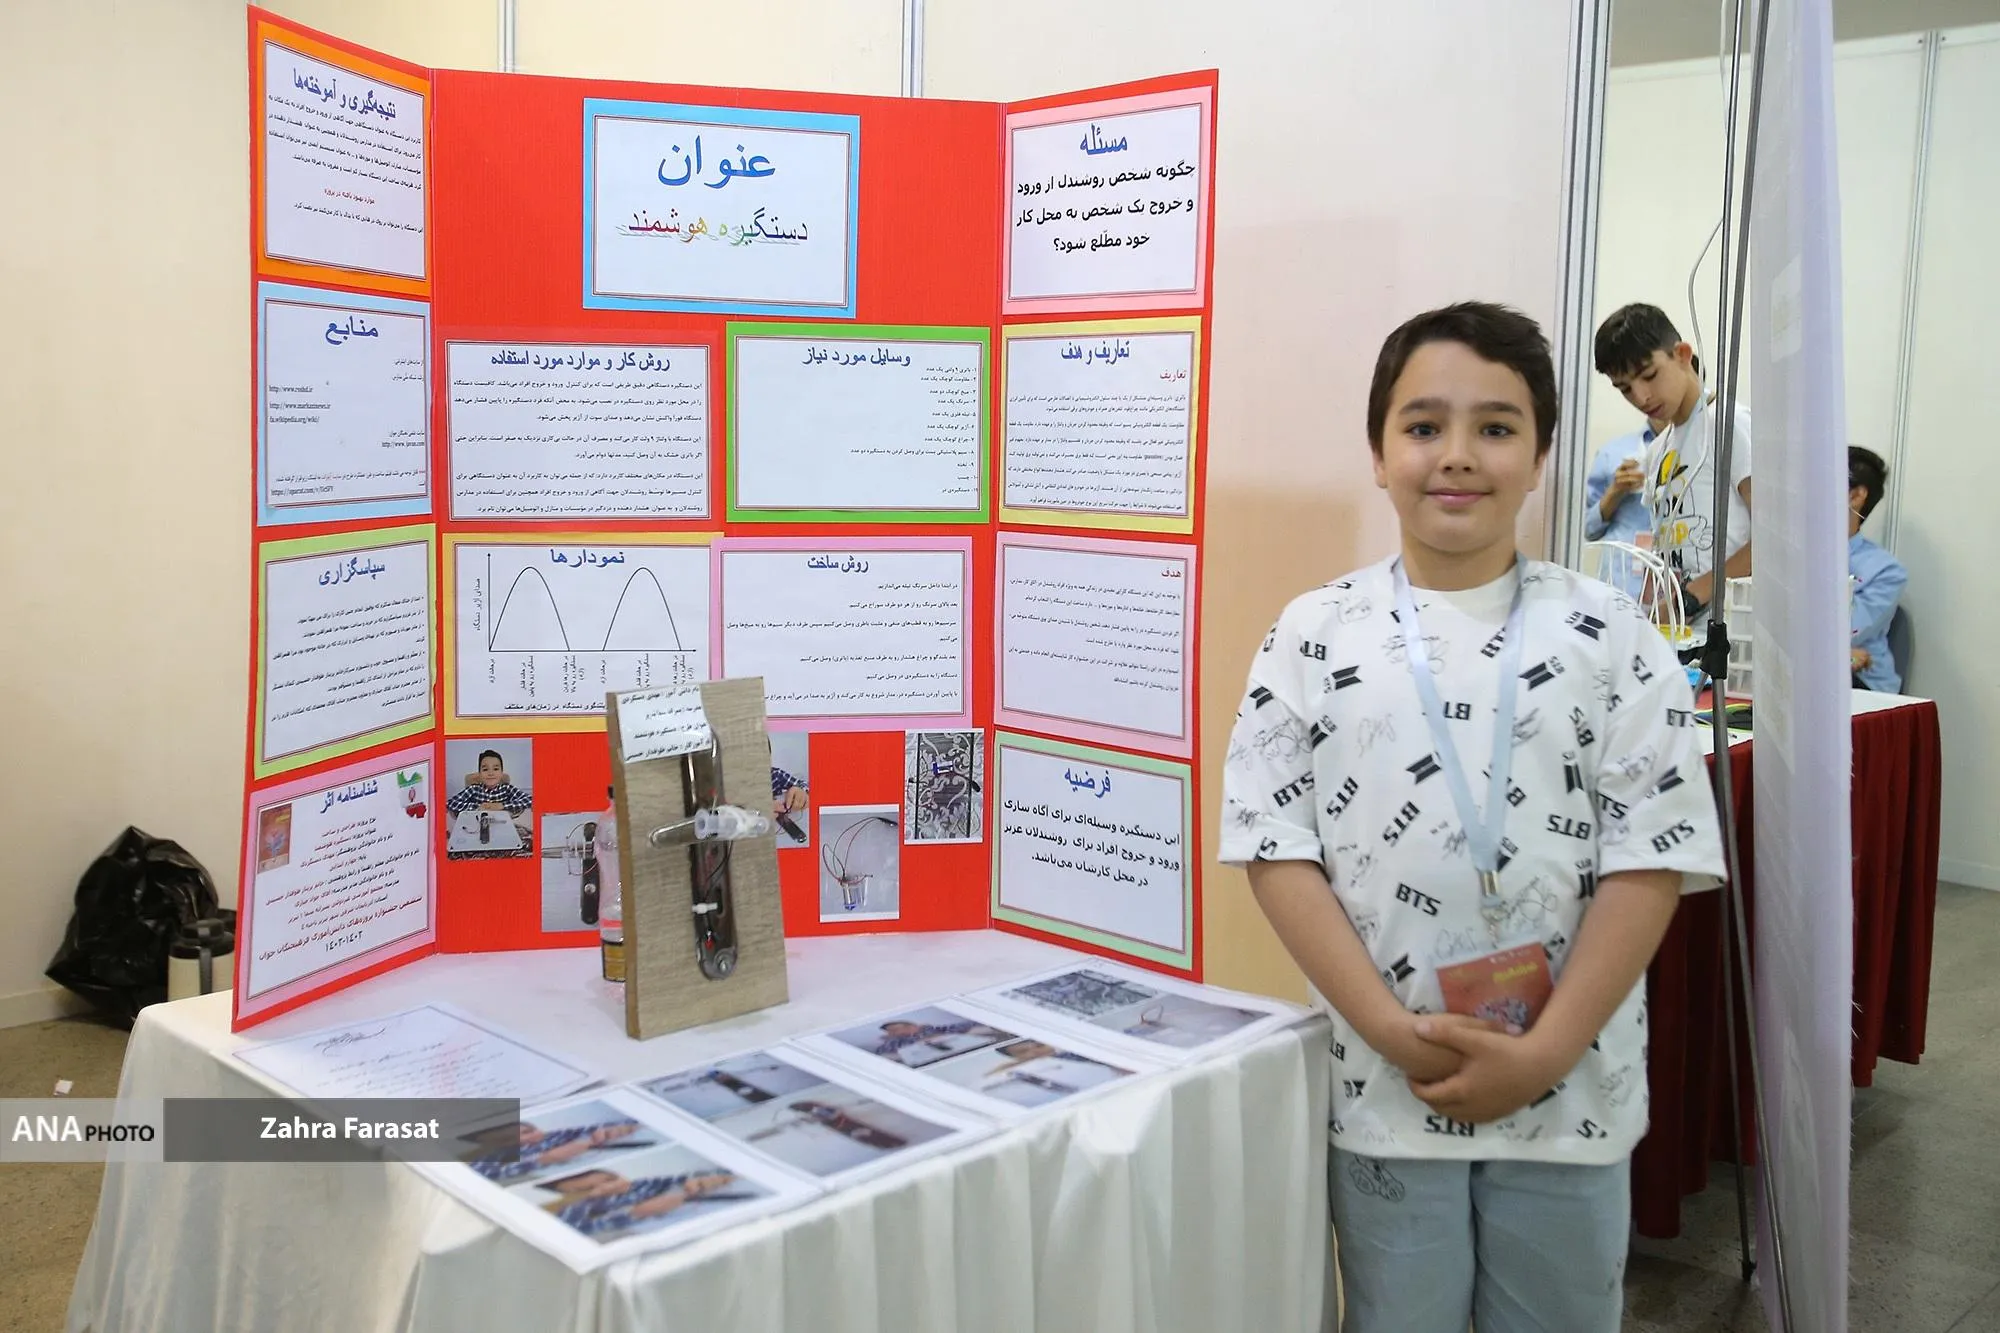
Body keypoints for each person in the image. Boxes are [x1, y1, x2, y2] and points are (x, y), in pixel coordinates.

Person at [1221, 302, 1725, 1332]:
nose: (1456, 454)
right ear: (1377, 453)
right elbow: (1275, 845)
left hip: (1570, 1082)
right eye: (1423, 426)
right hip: (1385, 1083)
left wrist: (1545, 1051)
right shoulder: (1313, 632)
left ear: (1540, 457)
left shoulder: (1610, 632)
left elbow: (1652, 856)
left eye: (1495, 427)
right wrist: (1388, 1030)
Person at [1595, 303, 1753, 612]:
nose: (1641, 397)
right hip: (1678, 627)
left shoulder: (1730, 426)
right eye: (1625, 389)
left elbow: (1774, 539)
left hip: (1731, 625)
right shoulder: (1657, 450)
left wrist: (1691, 597)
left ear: (1682, 354)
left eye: (1649, 375)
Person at [1847, 446, 1908, 692]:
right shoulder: (1786, 554)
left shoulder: (1885, 571)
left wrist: (1839, 653)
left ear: (1855, 496)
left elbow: (1846, 631)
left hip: (1862, 683)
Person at [541, 1167, 739, 1238]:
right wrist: (636, 1212)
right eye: (593, 1188)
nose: (613, 1185)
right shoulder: (576, 1209)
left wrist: (691, 1180)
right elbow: (576, 1230)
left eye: (611, 1178)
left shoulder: (636, 1186)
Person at [1580, 425, 1655, 597]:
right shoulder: (1613, 453)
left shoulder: (1701, 450)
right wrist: (1615, 491)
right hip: (1620, 586)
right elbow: (1588, 529)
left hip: (1680, 589)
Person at [446, 750, 533, 818]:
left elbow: (531, 800)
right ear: (480, 774)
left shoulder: (507, 788)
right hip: (477, 825)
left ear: (501, 773)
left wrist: (502, 805)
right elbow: (450, 803)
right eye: (485, 769)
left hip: (502, 824)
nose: (490, 773)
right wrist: (478, 807)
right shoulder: (473, 789)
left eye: (495, 769)